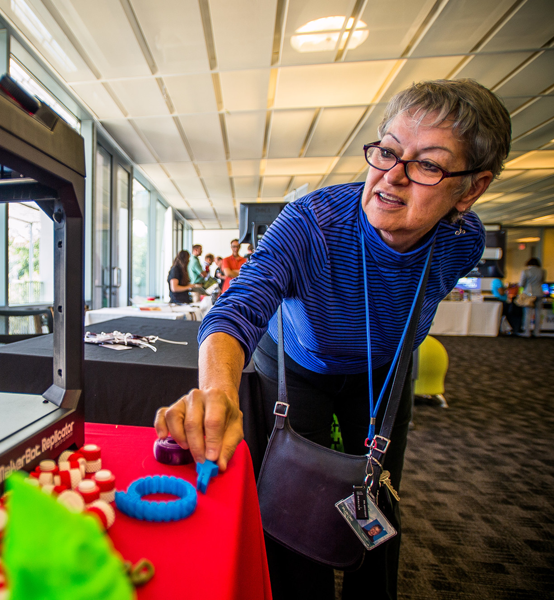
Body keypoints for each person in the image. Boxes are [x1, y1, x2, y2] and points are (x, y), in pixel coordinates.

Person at [154, 79, 510, 600]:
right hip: (300, 363)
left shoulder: (464, 242)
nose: (391, 179)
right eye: (387, 151)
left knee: (378, 489)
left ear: (471, 188)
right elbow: (237, 308)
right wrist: (217, 392)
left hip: (385, 371)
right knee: (298, 496)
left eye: (428, 165)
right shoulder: (312, 223)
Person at [519, 257, 546, 337]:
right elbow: (543, 281)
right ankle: (537, 332)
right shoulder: (542, 271)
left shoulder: (526, 271)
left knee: (527, 314)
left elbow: (521, 284)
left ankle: (527, 332)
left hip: (528, 294)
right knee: (538, 313)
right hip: (539, 293)